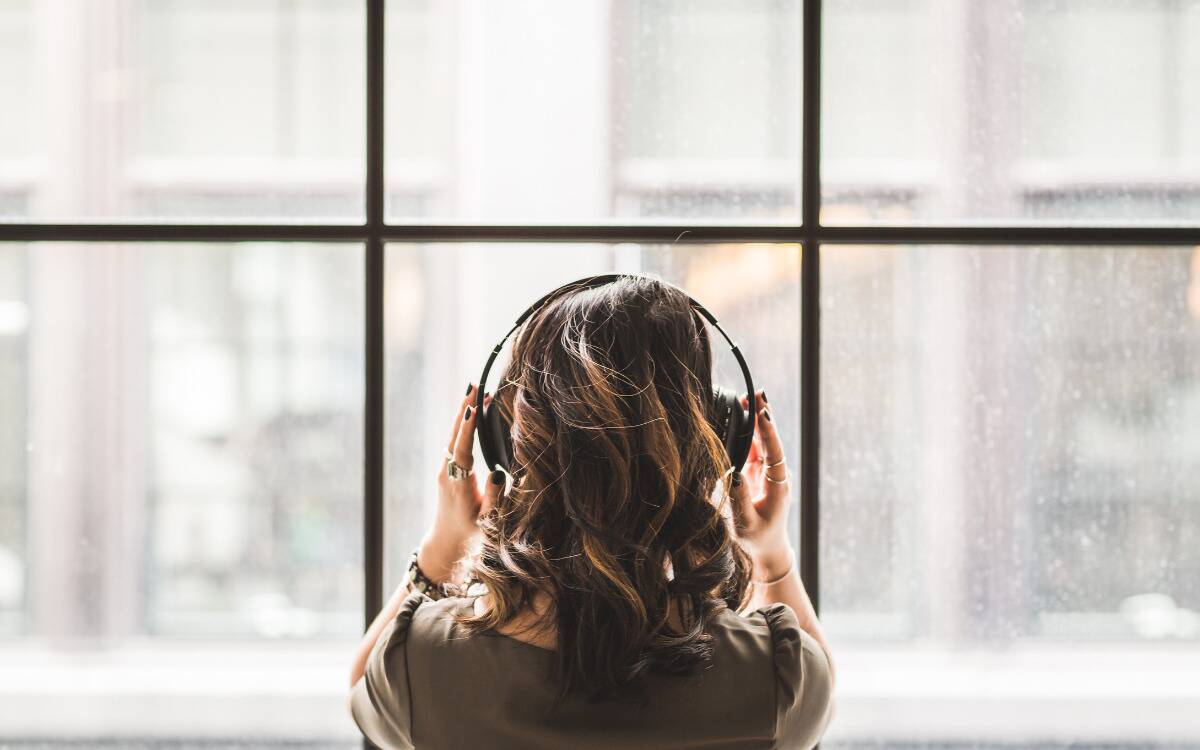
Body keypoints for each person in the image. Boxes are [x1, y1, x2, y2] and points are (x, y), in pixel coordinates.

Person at [348, 275, 836, 749]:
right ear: (718, 440)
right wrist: (772, 555)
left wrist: (443, 548)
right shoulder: (776, 678)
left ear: (505, 446)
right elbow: (818, 704)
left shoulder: (422, 664)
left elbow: (362, 696)